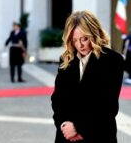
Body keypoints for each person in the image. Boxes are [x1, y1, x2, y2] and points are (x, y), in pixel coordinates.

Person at [51, 10, 124, 143]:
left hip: (98, 135)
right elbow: (58, 99)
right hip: (66, 137)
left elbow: (108, 105)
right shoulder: (66, 59)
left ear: (94, 34)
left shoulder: (113, 60)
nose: (80, 45)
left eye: (84, 38)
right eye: (74, 40)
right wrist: (63, 125)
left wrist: (78, 127)